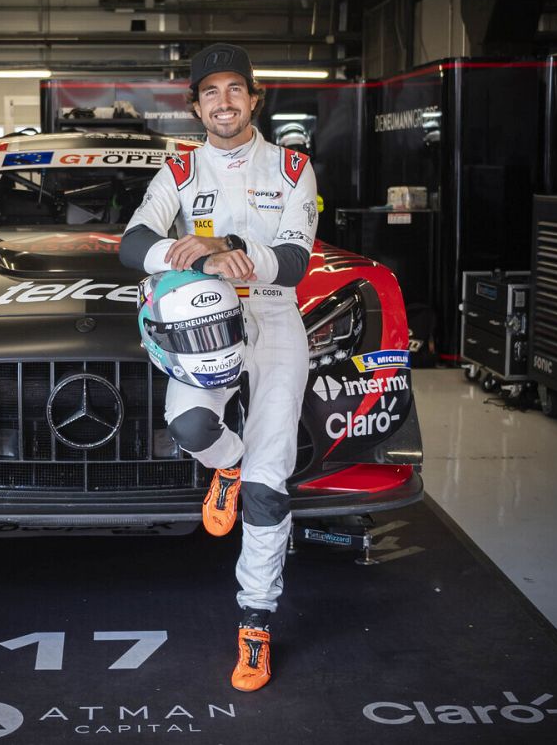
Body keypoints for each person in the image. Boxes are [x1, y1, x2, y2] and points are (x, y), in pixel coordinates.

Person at [119, 43, 318, 692]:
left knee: (268, 487)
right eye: (211, 92)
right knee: (190, 430)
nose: (224, 102)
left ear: (254, 99)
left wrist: (228, 243)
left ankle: (255, 625)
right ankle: (223, 466)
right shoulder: (178, 172)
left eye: (237, 90)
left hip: (275, 319)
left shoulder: (292, 167)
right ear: (197, 105)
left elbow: (292, 263)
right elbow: (133, 242)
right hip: (203, 318)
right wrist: (199, 263)